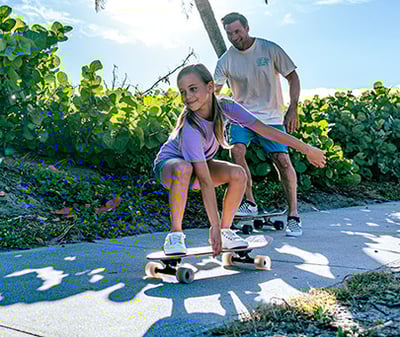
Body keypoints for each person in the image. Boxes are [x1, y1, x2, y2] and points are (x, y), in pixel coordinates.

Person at [153, 63, 326, 257]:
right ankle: (175, 235)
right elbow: (205, 181)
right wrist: (213, 226)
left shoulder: (225, 106)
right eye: (183, 92)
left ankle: (227, 231)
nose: (188, 97)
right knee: (184, 168)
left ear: (210, 87)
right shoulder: (191, 128)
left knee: (238, 173)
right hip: (171, 166)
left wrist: (307, 149)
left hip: (198, 166)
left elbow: (266, 130)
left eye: (193, 89)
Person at [214, 12, 305, 237]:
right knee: (237, 150)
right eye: (229, 33)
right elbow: (213, 91)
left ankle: (293, 216)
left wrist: (293, 107)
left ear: (246, 27)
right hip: (241, 117)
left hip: (271, 118)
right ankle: (250, 201)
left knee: (282, 160)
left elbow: (292, 77)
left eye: (237, 31)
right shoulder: (225, 60)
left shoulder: (269, 48)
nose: (234, 37)